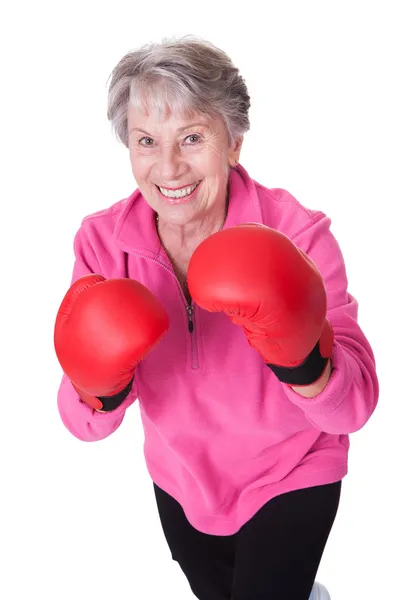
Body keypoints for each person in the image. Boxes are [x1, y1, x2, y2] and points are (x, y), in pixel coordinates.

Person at [54, 36, 379, 600]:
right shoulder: (103, 243)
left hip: (292, 470)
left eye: (193, 138)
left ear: (234, 144)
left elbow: (354, 406)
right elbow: (85, 424)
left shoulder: (298, 233)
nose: (169, 166)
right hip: (181, 477)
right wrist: (95, 383)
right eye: (147, 141)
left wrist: (303, 355)